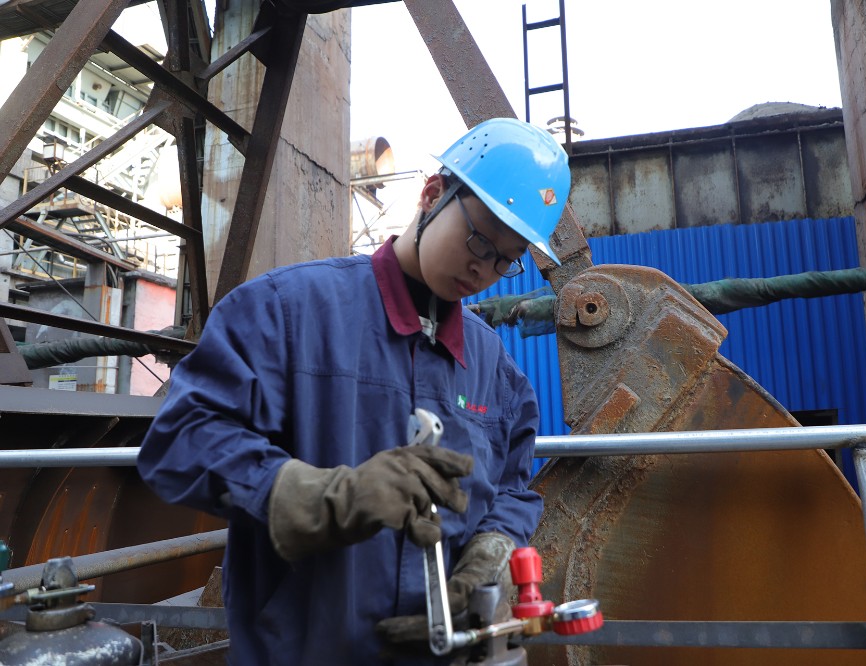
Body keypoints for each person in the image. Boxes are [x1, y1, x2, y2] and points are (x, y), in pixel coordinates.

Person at [136, 117, 571, 665]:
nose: (483, 268)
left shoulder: (495, 371)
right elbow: (181, 441)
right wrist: (329, 497)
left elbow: (511, 488)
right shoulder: (286, 312)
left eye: (505, 260)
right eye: (480, 240)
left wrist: (494, 548)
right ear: (432, 193)